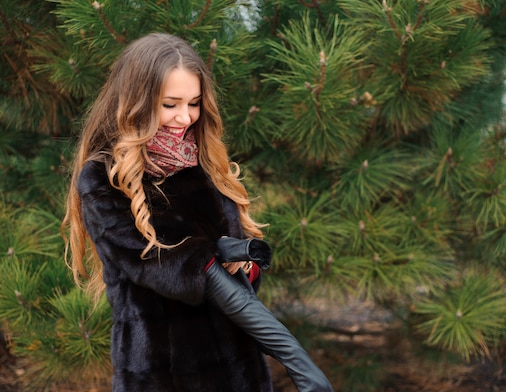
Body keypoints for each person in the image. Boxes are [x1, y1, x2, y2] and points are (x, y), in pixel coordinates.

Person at [63, 32, 333, 392]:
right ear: (137, 101)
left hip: (238, 370)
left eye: (194, 103)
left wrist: (243, 263)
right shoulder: (105, 178)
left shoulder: (203, 164)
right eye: (170, 104)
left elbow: (228, 268)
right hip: (164, 371)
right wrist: (296, 359)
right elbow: (159, 265)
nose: (184, 118)